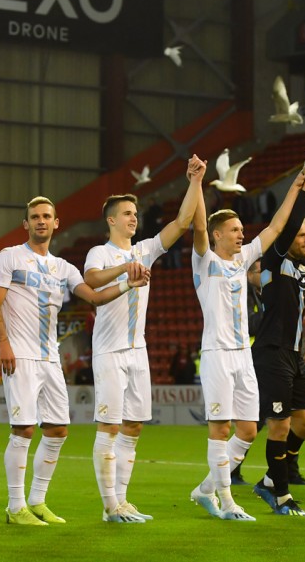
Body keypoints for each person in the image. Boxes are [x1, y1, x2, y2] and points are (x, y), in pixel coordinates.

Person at [0, 196, 150, 526]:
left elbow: (95, 297)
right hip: (20, 354)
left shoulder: (64, 268)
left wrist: (126, 284)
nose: (41, 221)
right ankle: (15, 507)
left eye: (47, 216)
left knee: (58, 430)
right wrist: (3, 344)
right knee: (24, 429)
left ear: (56, 223)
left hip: (50, 358)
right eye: (35, 217)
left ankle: (37, 501)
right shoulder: (10, 256)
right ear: (26, 224)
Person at [188, 153, 305, 522]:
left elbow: (277, 226)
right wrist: (196, 182)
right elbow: (198, 226)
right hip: (217, 353)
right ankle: (227, 502)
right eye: (234, 229)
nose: (241, 233)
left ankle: (205, 489)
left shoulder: (243, 259)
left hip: (243, 354)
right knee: (221, 428)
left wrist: (297, 185)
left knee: (247, 430)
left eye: (242, 229)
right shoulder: (205, 260)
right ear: (217, 234)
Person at [84, 156, 203, 524]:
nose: (133, 218)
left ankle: (122, 501)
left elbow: (181, 222)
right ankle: (109, 507)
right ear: (111, 220)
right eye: (126, 213)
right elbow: (91, 280)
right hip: (109, 351)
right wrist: (125, 268)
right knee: (110, 426)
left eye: (135, 213)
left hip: (139, 351)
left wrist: (195, 181)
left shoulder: (145, 249)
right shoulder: (100, 252)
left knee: (133, 426)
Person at [242, 169, 305, 516]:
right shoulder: (274, 261)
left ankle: (269, 480)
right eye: (302, 234)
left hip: (294, 355)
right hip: (271, 352)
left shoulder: (302, 267)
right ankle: (281, 495)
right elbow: (287, 227)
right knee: (279, 425)